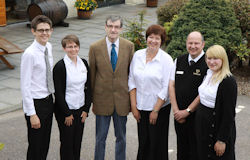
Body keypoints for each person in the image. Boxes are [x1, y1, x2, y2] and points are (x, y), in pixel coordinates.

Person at [88, 15, 134, 160]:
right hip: (102, 101)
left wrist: (132, 101)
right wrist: (93, 101)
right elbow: (92, 76)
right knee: (100, 138)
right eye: (110, 26)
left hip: (122, 100)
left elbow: (131, 74)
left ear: (121, 29)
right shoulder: (95, 47)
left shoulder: (129, 46)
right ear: (105, 27)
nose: (113, 30)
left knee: (121, 137)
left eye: (116, 27)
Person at [128, 24, 174, 160]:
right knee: (144, 143)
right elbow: (131, 81)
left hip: (159, 109)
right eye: (151, 37)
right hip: (141, 107)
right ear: (146, 38)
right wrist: (133, 106)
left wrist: (155, 110)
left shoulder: (166, 60)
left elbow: (166, 87)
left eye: (157, 38)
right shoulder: (137, 55)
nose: (153, 41)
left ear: (162, 41)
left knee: (157, 145)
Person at [169, 31, 208, 160]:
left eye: (196, 43)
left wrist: (187, 111)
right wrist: (176, 111)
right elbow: (171, 85)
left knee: (196, 151)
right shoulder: (179, 60)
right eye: (190, 43)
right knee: (182, 149)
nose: (193, 46)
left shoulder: (208, 63)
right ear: (186, 43)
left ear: (203, 44)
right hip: (179, 115)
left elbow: (204, 92)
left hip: (197, 116)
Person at [20, 15, 54, 160]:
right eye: (40, 30)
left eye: (47, 30)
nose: (44, 33)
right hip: (36, 104)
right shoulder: (29, 54)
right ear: (33, 31)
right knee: (35, 145)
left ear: (51, 31)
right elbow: (25, 86)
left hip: (48, 100)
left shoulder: (49, 47)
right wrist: (32, 114)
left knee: (45, 143)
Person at [53, 35, 91, 160]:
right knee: (67, 144)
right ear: (64, 48)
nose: (73, 49)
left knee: (77, 142)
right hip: (66, 111)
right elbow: (58, 93)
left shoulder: (84, 63)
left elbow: (88, 88)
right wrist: (67, 113)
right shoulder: (60, 67)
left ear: (79, 47)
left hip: (80, 110)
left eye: (75, 46)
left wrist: (86, 110)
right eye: (69, 47)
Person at [196, 45, 237, 160]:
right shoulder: (209, 73)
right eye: (209, 58)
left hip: (217, 129)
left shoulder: (228, 81)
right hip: (203, 128)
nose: (211, 62)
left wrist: (222, 140)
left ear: (223, 60)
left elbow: (229, 114)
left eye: (215, 58)